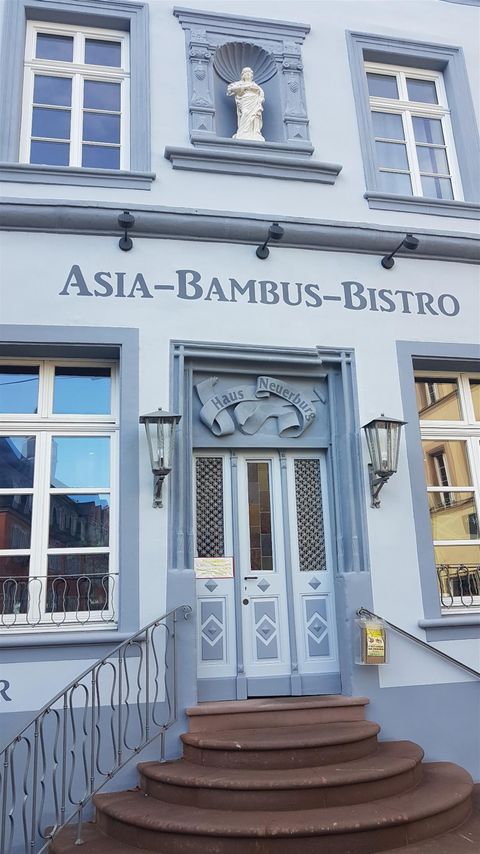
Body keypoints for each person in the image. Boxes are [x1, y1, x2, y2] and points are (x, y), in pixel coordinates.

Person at [227, 67, 265, 141]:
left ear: (252, 76)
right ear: (243, 75)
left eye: (249, 73)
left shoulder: (255, 85)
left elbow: (261, 94)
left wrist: (260, 99)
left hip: (254, 102)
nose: (248, 75)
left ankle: (254, 132)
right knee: (245, 113)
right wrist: (245, 87)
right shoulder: (239, 83)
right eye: (246, 73)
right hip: (244, 101)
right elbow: (230, 90)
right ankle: (242, 131)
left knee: (255, 116)